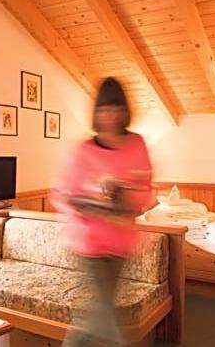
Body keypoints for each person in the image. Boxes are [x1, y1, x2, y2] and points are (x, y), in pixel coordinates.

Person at [52, 77, 155, 346]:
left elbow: (146, 190)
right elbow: (63, 194)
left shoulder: (137, 144)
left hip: (121, 243)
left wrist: (124, 194)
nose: (111, 116)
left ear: (125, 111)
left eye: (117, 109)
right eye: (105, 109)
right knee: (102, 313)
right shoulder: (83, 150)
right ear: (96, 113)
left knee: (100, 312)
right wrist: (92, 202)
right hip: (90, 244)